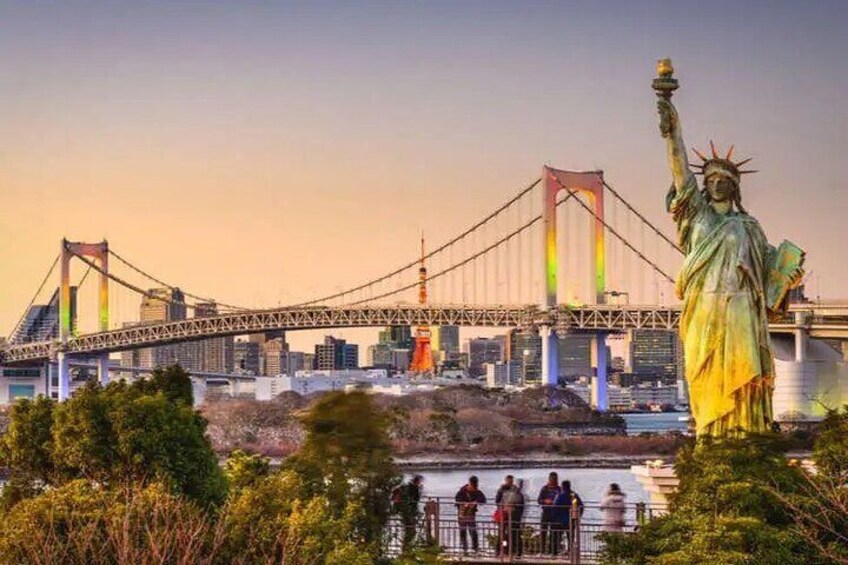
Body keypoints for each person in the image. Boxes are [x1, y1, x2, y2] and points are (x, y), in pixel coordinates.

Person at [655, 63, 804, 436]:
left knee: (743, 373)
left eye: (725, 180)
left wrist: (788, 279)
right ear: (703, 186)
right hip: (704, 307)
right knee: (707, 374)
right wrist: (670, 119)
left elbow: (770, 284)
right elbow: (678, 167)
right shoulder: (695, 216)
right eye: (711, 180)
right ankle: (711, 433)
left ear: (735, 187)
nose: (718, 184)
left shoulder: (749, 227)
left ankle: (745, 433)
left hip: (740, 308)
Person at [454, 475, 487, 554]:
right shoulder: (462, 491)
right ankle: (464, 548)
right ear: (469, 484)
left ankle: (475, 548)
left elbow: (483, 500)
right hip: (462, 514)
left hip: (471, 515)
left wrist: (475, 502)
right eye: (471, 486)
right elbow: (457, 499)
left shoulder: (477, 491)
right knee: (463, 531)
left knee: (473, 531)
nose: (472, 488)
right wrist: (464, 503)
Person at [553, 480, 584, 554]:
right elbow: (580, 506)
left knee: (558, 536)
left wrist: (555, 517)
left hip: (560, 520)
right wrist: (578, 516)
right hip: (572, 519)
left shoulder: (560, 495)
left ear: (562, 486)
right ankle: (571, 551)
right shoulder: (574, 495)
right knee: (571, 537)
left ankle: (555, 552)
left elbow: (555, 506)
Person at [537, 471, 562, 554]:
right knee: (543, 531)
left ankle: (553, 551)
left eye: (555, 479)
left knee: (554, 533)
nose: (554, 481)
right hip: (546, 512)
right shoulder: (544, 488)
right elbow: (539, 500)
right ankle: (542, 550)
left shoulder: (559, 489)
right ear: (549, 479)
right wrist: (545, 501)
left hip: (555, 513)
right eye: (552, 479)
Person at [396, 475, 422, 552]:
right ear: (417, 481)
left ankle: (406, 548)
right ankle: (406, 549)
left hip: (407, 512)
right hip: (409, 512)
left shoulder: (408, 487)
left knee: (410, 529)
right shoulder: (413, 488)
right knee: (411, 530)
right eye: (419, 481)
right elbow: (415, 499)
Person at [501, 478, 525, 558]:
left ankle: (518, 552)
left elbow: (521, 507)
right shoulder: (508, 493)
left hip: (515, 519)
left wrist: (513, 507)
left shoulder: (519, 495)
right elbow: (502, 503)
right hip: (507, 517)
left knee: (516, 535)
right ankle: (505, 550)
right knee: (505, 536)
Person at [494, 475, 514, 556]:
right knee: (501, 534)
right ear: (506, 481)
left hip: (510, 515)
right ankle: (498, 550)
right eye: (509, 481)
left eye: (511, 481)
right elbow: (497, 501)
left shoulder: (514, 489)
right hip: (502, 515)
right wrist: (502, 507)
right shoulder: (501, 490)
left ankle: (505, 550)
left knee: (506, 535)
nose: (510, 483)